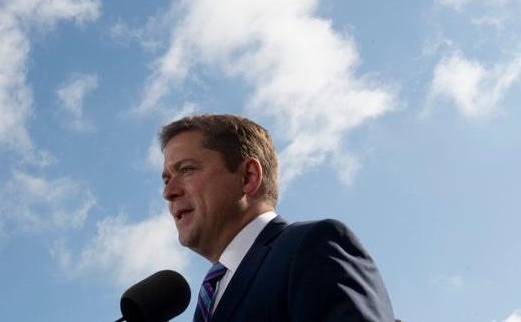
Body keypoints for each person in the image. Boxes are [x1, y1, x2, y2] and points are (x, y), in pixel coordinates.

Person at [159, 114, 395, 321]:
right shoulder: (211, 301)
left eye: (186, 169)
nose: (168, 192)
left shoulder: (311, 246)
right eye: (167, 179)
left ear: (248, 177)